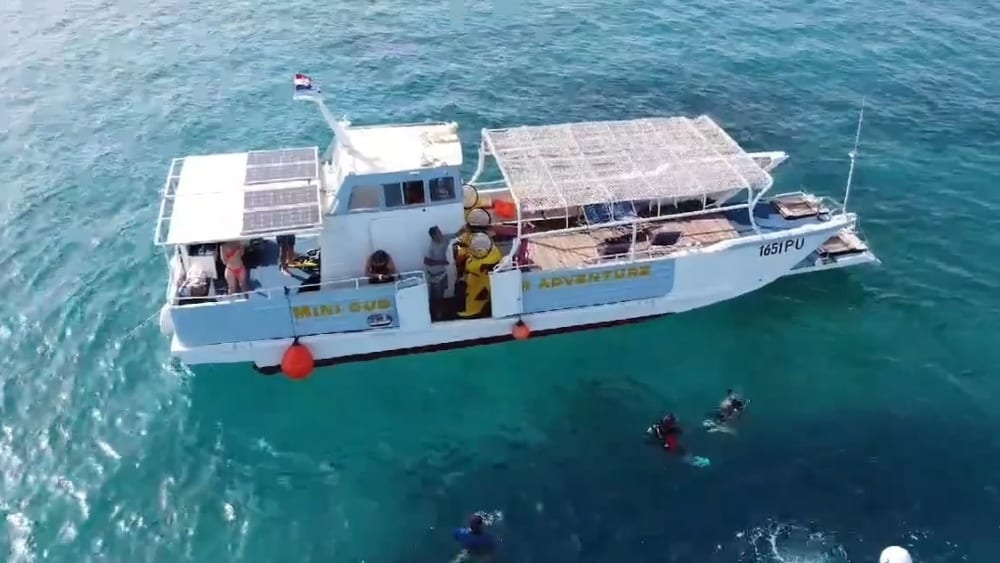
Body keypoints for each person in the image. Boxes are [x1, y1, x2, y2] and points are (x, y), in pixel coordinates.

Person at [425, 226, 460, 318]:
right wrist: (441, 262)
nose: (440, 234)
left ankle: (442, 311)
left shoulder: (445, 238)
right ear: (433, 236)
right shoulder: (431, 247)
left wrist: (463, 229)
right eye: (438, 233)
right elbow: (427, 261)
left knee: (443, 292)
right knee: (436, 297)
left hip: (443, 273)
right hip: (434, 277)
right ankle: (436, 314)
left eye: (440, 232)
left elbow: (456, 235)